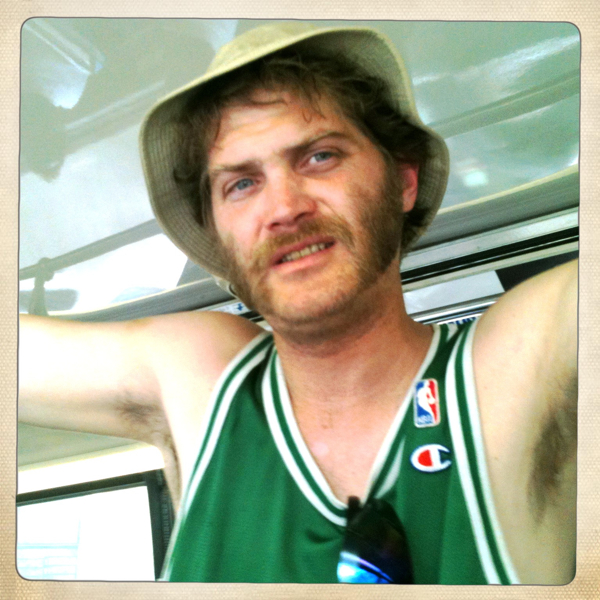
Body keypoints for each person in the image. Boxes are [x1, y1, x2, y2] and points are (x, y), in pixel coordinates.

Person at [18, 22, 577, 584]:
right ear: (220, 237)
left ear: (403, 181)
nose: (284, 208)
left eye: (320, 157)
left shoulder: (518, 360)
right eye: (241, 184)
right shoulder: (202, 376)